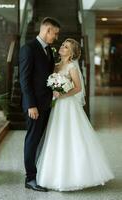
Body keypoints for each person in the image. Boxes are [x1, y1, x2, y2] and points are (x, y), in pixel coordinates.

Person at [36, 38, 114, 191]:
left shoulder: (71, 66)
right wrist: (54, 91)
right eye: (63, 45)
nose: (62, 47)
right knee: (57, 136)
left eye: (66, 47)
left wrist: (62, 95)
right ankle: (55, 174)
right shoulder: (56, 65)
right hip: (57, 107)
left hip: (68, 105)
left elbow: (78, 88)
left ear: (71, 53)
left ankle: (78, 174)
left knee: (72, 135)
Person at [19, 17, 60, 192]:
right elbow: (24, 80)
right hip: (34, 105)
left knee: (41, 141)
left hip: (46, 103)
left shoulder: (48, 49)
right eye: (55, 34)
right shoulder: (28, 48)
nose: (56, 37)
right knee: (32, 140)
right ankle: (30, 178)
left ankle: (39, 173)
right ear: (47, 30)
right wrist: (31, 105)